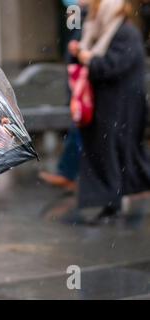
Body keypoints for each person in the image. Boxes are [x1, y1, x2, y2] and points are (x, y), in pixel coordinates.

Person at [69, 0, 150, 223]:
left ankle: (111, 205)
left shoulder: (125, 33)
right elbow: (93, 61)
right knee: (118, 157)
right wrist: (79, 54)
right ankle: (110, 204)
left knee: (117, 156)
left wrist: (89, 59)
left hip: (119, 110)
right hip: (106, 108)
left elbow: (112, 66)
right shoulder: (98, 32)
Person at [39, 0, 89, 192]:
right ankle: (68, 174)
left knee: (79, 132)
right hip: (79, 87)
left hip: (84, 88)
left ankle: (67, 174)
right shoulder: (78, 14)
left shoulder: (87, 16)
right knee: (79, 132)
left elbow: (78, 47)